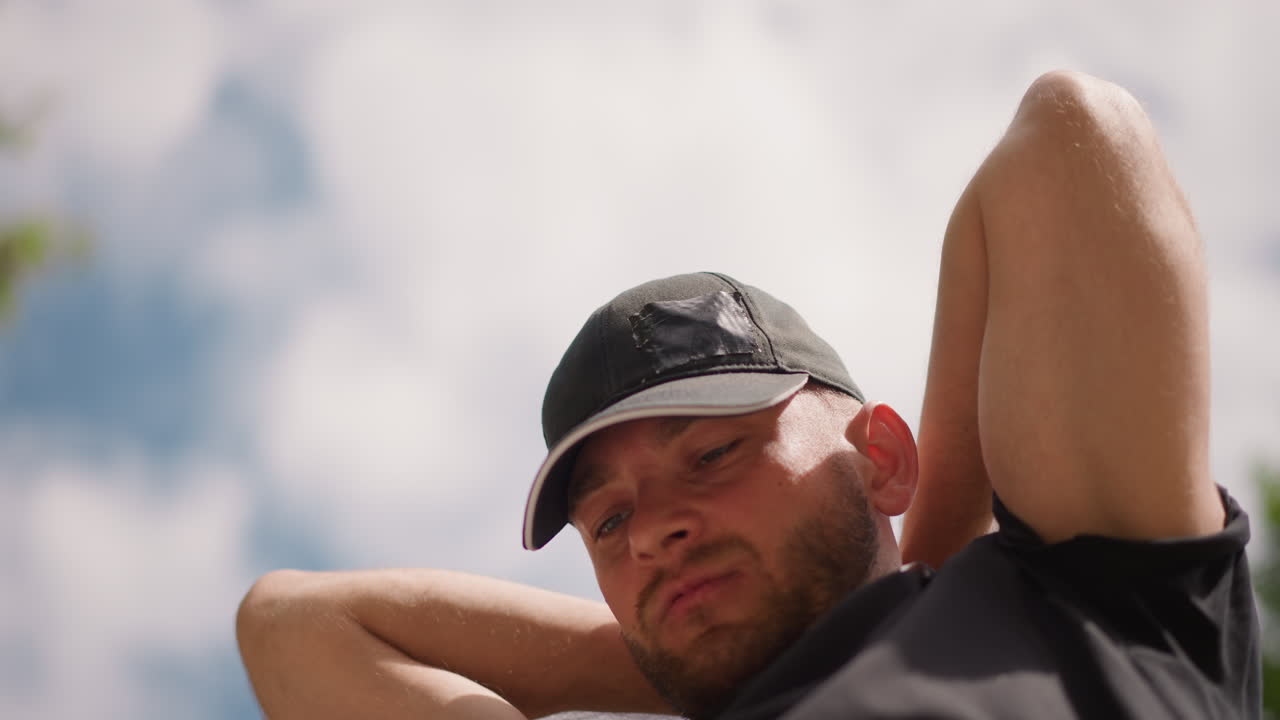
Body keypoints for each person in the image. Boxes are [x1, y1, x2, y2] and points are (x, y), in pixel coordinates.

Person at [236, 70, 1260, 719]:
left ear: (880, 456)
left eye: (713, 453)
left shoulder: (1085, 601)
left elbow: (1068, 140)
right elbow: (289, 625)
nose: (652, 535)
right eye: (608, 523)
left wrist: (930, 562)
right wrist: (672, 656)